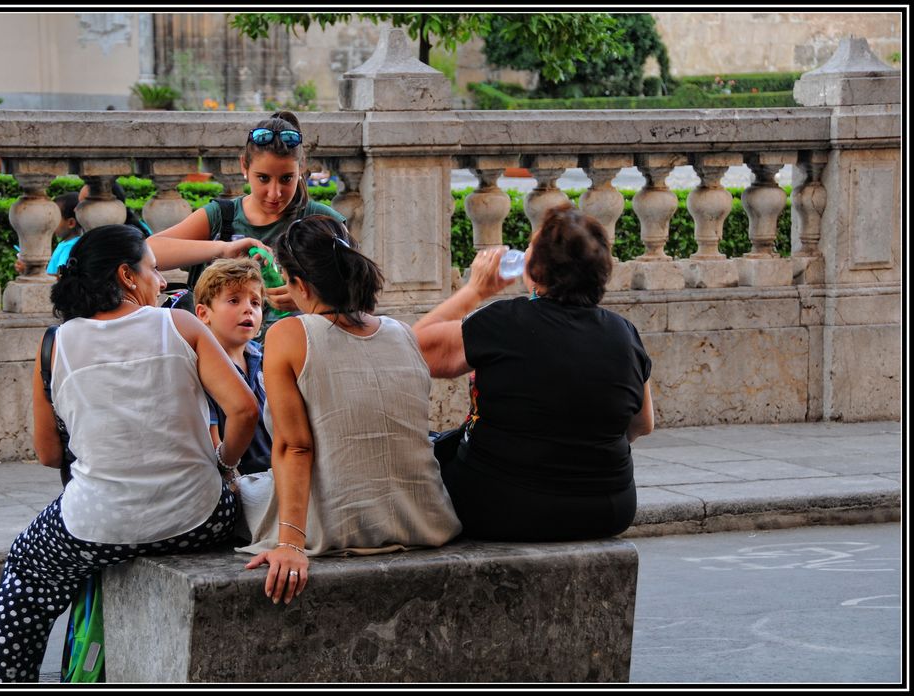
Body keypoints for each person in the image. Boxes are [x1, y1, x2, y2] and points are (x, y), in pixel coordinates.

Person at [0, 224, 259, 682]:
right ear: (126, 276)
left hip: (95, 525)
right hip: (200, 518)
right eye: (154, 269)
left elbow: (48, 454)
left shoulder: (54, 344)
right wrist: (223, 464)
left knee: (27, 568)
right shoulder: (179, 324)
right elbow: (244, 409)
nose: (161, 282)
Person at [236, 215, 462, 604]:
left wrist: (291, 543)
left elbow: (296, 447)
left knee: (239, 490)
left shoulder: (287, 334)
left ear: (299, 285)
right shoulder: (401, 331)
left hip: (333, 525)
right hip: (422, 518)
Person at [412, 205, 654, 542]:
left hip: (500, 506)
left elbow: (412, 351)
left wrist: (475, 291)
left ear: (535, 269)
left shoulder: (502, 321)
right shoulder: (624, 334)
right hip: (608, 509)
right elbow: (643, 424)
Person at [147, 110, 346, 332]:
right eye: (263, 178)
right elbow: (148, 252)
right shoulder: (222, 216)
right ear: (244, 166)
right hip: (223, 358)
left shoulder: (322, 221)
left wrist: (310, 297)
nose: (274, 193)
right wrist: (223, 249)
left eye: (286, 179)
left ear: (301, 168)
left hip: (299, 354)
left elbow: (357, 293)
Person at [194, 256, 273, 477]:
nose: (248, 309)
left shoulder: (267, 359)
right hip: (238, 476)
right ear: (203, 313)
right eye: (234, 300)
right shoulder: (201, 369)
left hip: (278, 469)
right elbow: (213, 441)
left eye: (255, 302)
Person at [15, 192, 82, 276]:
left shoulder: (70, 247)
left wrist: (31, 272)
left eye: (55, 218)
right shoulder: (67, 243)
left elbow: (61, 277)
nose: (50, 223)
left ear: (71, 223)